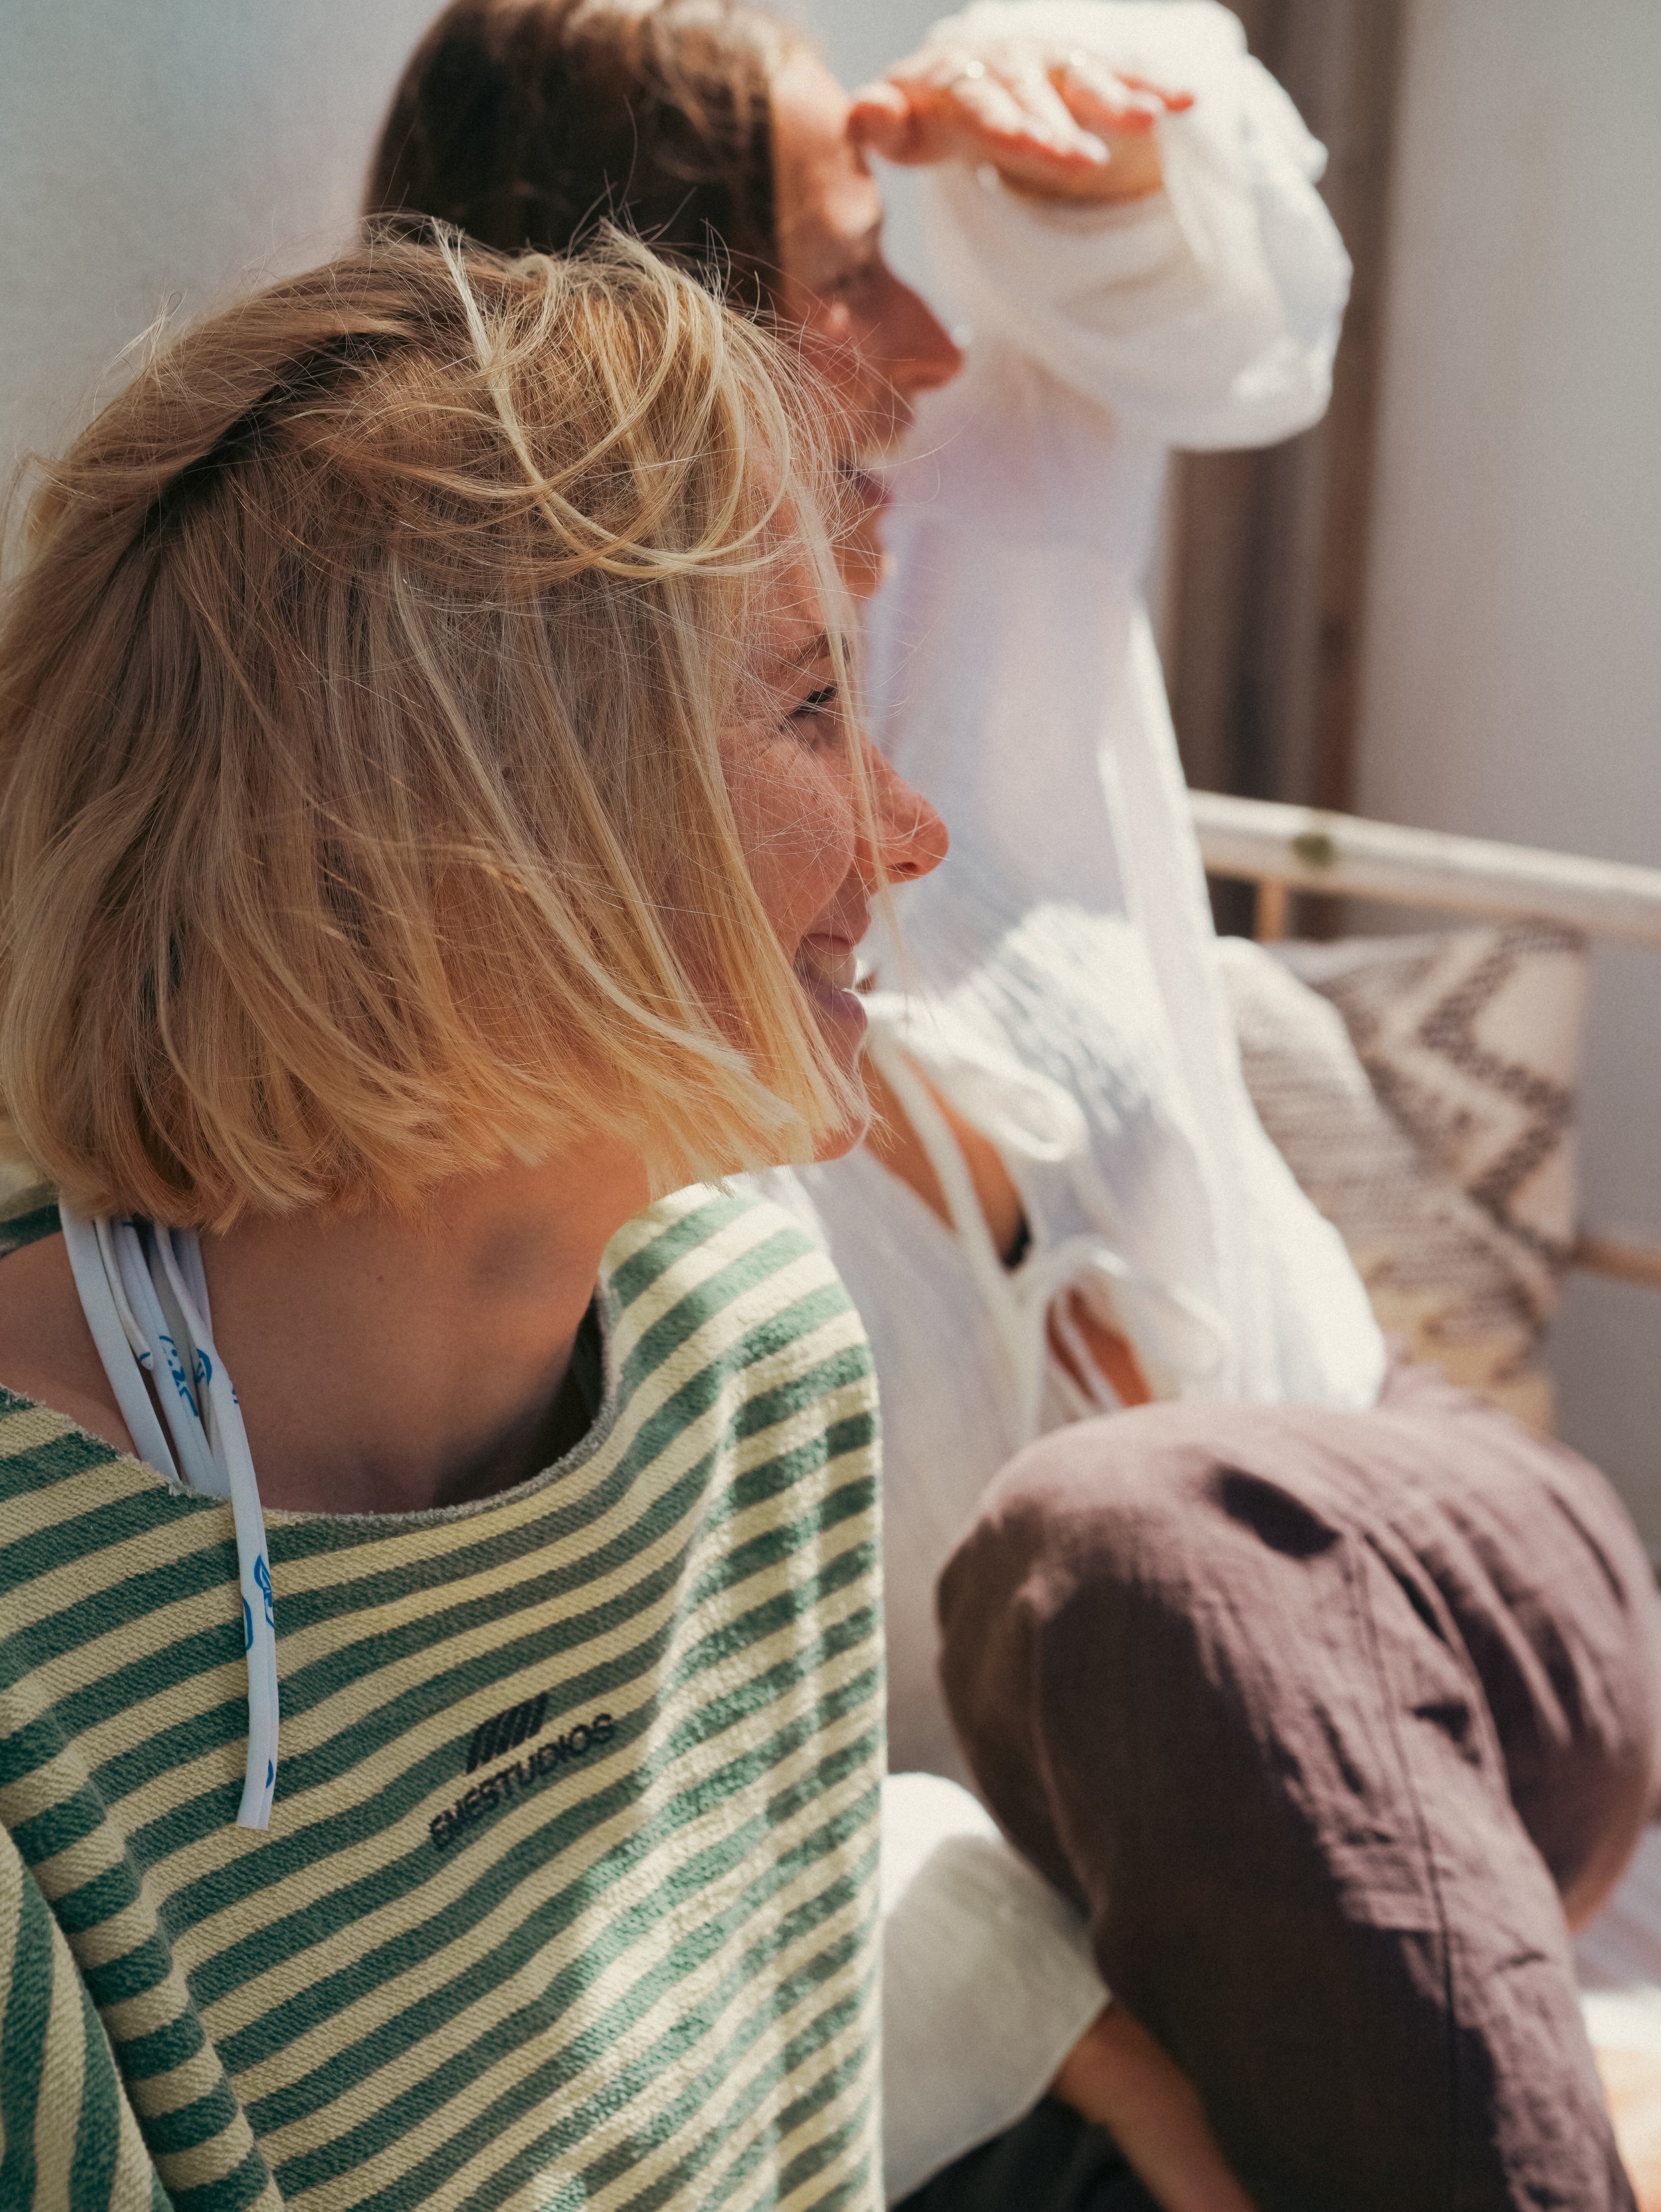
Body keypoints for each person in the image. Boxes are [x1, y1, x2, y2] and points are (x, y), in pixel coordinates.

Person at [367, 6, 1661, 2207]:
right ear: (651, 341)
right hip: (1091, 1852)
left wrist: (1079, 132)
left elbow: (1253, 309)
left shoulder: (1003, 524)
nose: (924, 341)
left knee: (1126, 1557)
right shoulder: (523, 1036)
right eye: (845, 266)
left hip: (1424, 1554)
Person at [0, 227, 949, 2209]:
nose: (904, 824)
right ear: (496, 824)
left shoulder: (752, 1352)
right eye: (805, 708)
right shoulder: (31, 1680)